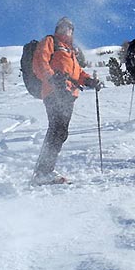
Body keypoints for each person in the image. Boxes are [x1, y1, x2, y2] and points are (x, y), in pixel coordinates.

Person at [31, 17, 101, 184]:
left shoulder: (70, 51)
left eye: (69, 28)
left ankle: (43, 171)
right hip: (54, 91)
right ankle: (42, 172)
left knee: (60, 131)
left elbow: (77, 73)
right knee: (57, 129)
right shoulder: (51, 41)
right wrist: (52, 78)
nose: (66, 30)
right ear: (57, 29)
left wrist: (89, 80)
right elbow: (40, 61)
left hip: (68, 94)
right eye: (63, 27)